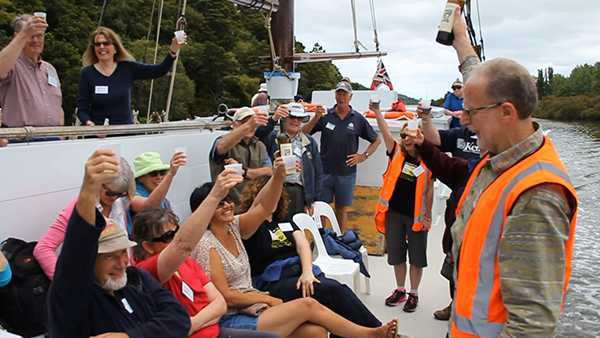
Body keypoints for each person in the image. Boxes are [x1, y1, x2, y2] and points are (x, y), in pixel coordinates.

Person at [447, 8, 578, 337]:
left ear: (506, 112)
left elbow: (531, 325)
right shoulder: (505, 152)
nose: (464, 120)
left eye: (471, 111)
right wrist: (460, 40)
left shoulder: (537, 194)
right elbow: (479, 78)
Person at [190, 158, 399, 338]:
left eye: (227, 199)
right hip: (234, 316)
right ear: (205, 209)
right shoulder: (206, 244)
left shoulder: (235, 226)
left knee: (317, 331)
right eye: (219, 202)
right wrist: (268, 299)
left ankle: (368, 332)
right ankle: (370, 334)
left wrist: (279, 175)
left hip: (256, 302)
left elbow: (265, 208)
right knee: (311, 303)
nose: (227, 205)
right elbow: (226, 297)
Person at [46, 149, 191, 338]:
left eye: (123, 252)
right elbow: (77, 249)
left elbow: (178, 318)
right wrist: (88, 190)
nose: (121, 263)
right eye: (109, 255)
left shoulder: (135, 277)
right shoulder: (75, 297)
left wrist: (130, 336)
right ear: (91, 260)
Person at [132, 170, 281, 338]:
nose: (174, 240)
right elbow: (183, 245)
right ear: (147, 246)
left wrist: (279, 174)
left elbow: (219, 304)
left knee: (311, 328)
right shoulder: (148, 270)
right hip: (234, 314)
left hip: (223, 321)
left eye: (177, 232)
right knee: (307, 306)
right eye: (168, 236)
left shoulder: (230, 229)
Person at [239, 175, 387, 338]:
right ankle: (377, 331)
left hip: (301, 272)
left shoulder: (285, 222)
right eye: (269, 195)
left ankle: (370, 333)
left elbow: (303, 246)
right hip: (274, 281)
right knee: (333, 290)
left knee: (332, 298)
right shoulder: (248, 227)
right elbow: (255, 210)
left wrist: (307, 271)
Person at [417, 99, 479, 321]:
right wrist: (425, 124)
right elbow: (438, 144)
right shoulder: (460, 134)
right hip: (458, 201)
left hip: (479, 216)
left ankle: (467, 312)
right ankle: (455, 305)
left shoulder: (494, 147)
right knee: (453, 258)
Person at [372, 101, 434, 313]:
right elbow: (384, 130)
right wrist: (378, 111)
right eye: (405, 135)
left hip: (416, 217)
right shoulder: (396, 152)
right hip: (394, 214)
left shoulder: (428, 159)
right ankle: (400, 289)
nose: (407, 139)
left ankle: (413, 293)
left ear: (420, 137)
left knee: (416, 256)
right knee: (396, 254)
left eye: (412, 136)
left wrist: (427, 216)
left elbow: (429, 191)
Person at [34, 157, 136, 279]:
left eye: (121, 194)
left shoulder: (117, 204)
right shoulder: (79, 207)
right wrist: (65, 283)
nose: (114, 198)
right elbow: (43, 248)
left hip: (120, 277)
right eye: (110, 193)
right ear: (98, 183)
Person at [302, 81, 381, 233]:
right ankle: (320, 239)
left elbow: (376, 140)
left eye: (344, 94)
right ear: (335, 95)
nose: (341, 97)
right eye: (339, 93)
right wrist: (315, 117)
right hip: (324, 170)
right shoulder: (326, 115)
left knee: (341, 208)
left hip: (346, 172)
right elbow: (304, 134)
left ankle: (341, 238)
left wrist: (363, 156)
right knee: (321, 207)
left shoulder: (357, 118)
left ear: (350, 97)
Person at [76, 26, 185, 126]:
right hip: (97, 136)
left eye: (106, 43)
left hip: (125, 133)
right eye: (97, 44)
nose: (102, 47)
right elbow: (82, 109)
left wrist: (174, 49)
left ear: (115, 47)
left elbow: (159, 70)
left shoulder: (128, 68)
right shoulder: (87, 73)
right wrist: (91, 125)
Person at [256, 103, 322, 218]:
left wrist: (311, 200)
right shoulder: (272, 137)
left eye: (299, 118)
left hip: (299, 192)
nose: (295, 121)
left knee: (297, 227)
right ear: (284, 118)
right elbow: (257, 136)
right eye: (292, 117)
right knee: (277, 227)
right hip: (276, 189)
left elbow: (318, 172)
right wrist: (273, 119)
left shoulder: (309, 141)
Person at [0, 14, 64, 131]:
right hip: (22, 138)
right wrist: (23, 34)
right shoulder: (11, 64)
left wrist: (61, 131)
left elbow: (57, 105)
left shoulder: (49, 69)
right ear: (17, 37)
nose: (35, 40)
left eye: (39, 35)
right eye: (30, 35)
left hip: (52, 137)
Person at [209, 107, 272, 212]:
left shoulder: (260, 146)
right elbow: (221, 147)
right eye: (244, 122)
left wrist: (243, 171)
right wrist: (248, 126)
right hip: (228, 208)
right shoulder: (223, 141)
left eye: (252, 123)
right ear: (234, 124)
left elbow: (269, 172)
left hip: (254, 208)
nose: (249, 127)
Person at [130, 151, 186, 216]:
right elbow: (148, 207)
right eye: (153, 173)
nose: (159, 177)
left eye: (162, 172)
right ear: (140, 178)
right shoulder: (132, 196)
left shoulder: (165, 202)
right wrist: (170, 174)